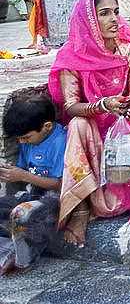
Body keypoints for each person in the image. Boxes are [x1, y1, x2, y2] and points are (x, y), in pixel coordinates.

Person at [49, 0, 130, 246]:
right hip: (94, 125)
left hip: (123, 122)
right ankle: (82, 207)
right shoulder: (70, 57)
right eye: (104, 13)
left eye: (116, 12)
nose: (114, 19)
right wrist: (102, 106)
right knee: (77, 124)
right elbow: (72, 106)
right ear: (87, 21)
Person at [0, 97, 63, 275]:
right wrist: (11, 173)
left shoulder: (61, 142)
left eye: (25, 137)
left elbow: (61, 184)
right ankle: (8, 252)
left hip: (54, 200)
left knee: (22, 215)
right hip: (31, 194)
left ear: (47, 126)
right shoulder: (30, 141)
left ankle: (23, 262)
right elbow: (24, 173)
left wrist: (24, 175)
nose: (22, 142)